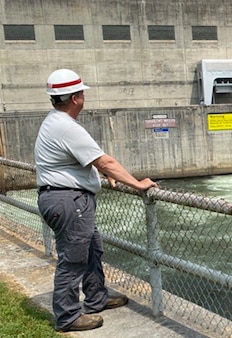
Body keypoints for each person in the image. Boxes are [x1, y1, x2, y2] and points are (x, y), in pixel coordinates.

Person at [35, 69, 158, 332]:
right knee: (73, 259)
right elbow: (105, 161)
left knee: (91, 249)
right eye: (81, 93)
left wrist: (101, 172)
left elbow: (84, 161)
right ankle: (67, 317)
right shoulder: (67, 127)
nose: (83, 97)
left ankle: (96, 297)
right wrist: (137, 184)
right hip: (69, 201)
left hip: (63, 198)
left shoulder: (54, 121)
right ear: (76, 98)